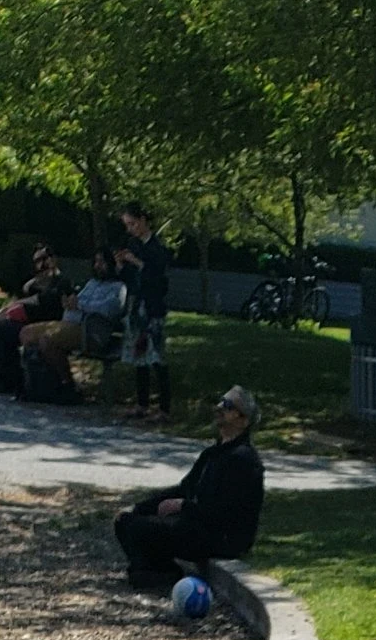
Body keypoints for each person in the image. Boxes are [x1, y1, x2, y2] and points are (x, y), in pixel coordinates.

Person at [113, 384, 265, 586]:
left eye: (228, 405)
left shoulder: (243, 459)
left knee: (140, 528)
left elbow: (224, 512)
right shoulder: (212, 454)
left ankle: (157, 572)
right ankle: (152, 571)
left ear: (243, 419)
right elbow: (184, 489)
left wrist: (183, 507)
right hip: (199, 523)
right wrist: (138, 507)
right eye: (220, 401)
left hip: (224, 537)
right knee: (125, 521)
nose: (219, 407)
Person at [119, 202, 172, 416]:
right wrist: (122, 266)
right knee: (139, 355)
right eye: (127, 225)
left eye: (132, 224)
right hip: (135, 304)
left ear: (142, 221)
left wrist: (138, 263)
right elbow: (128, 278)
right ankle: (142, 404)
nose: (130, 229)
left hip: (152, 307)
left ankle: (164, 407)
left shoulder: (157, 248)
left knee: (156, 355)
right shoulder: (132, 245)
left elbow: (158, 277)